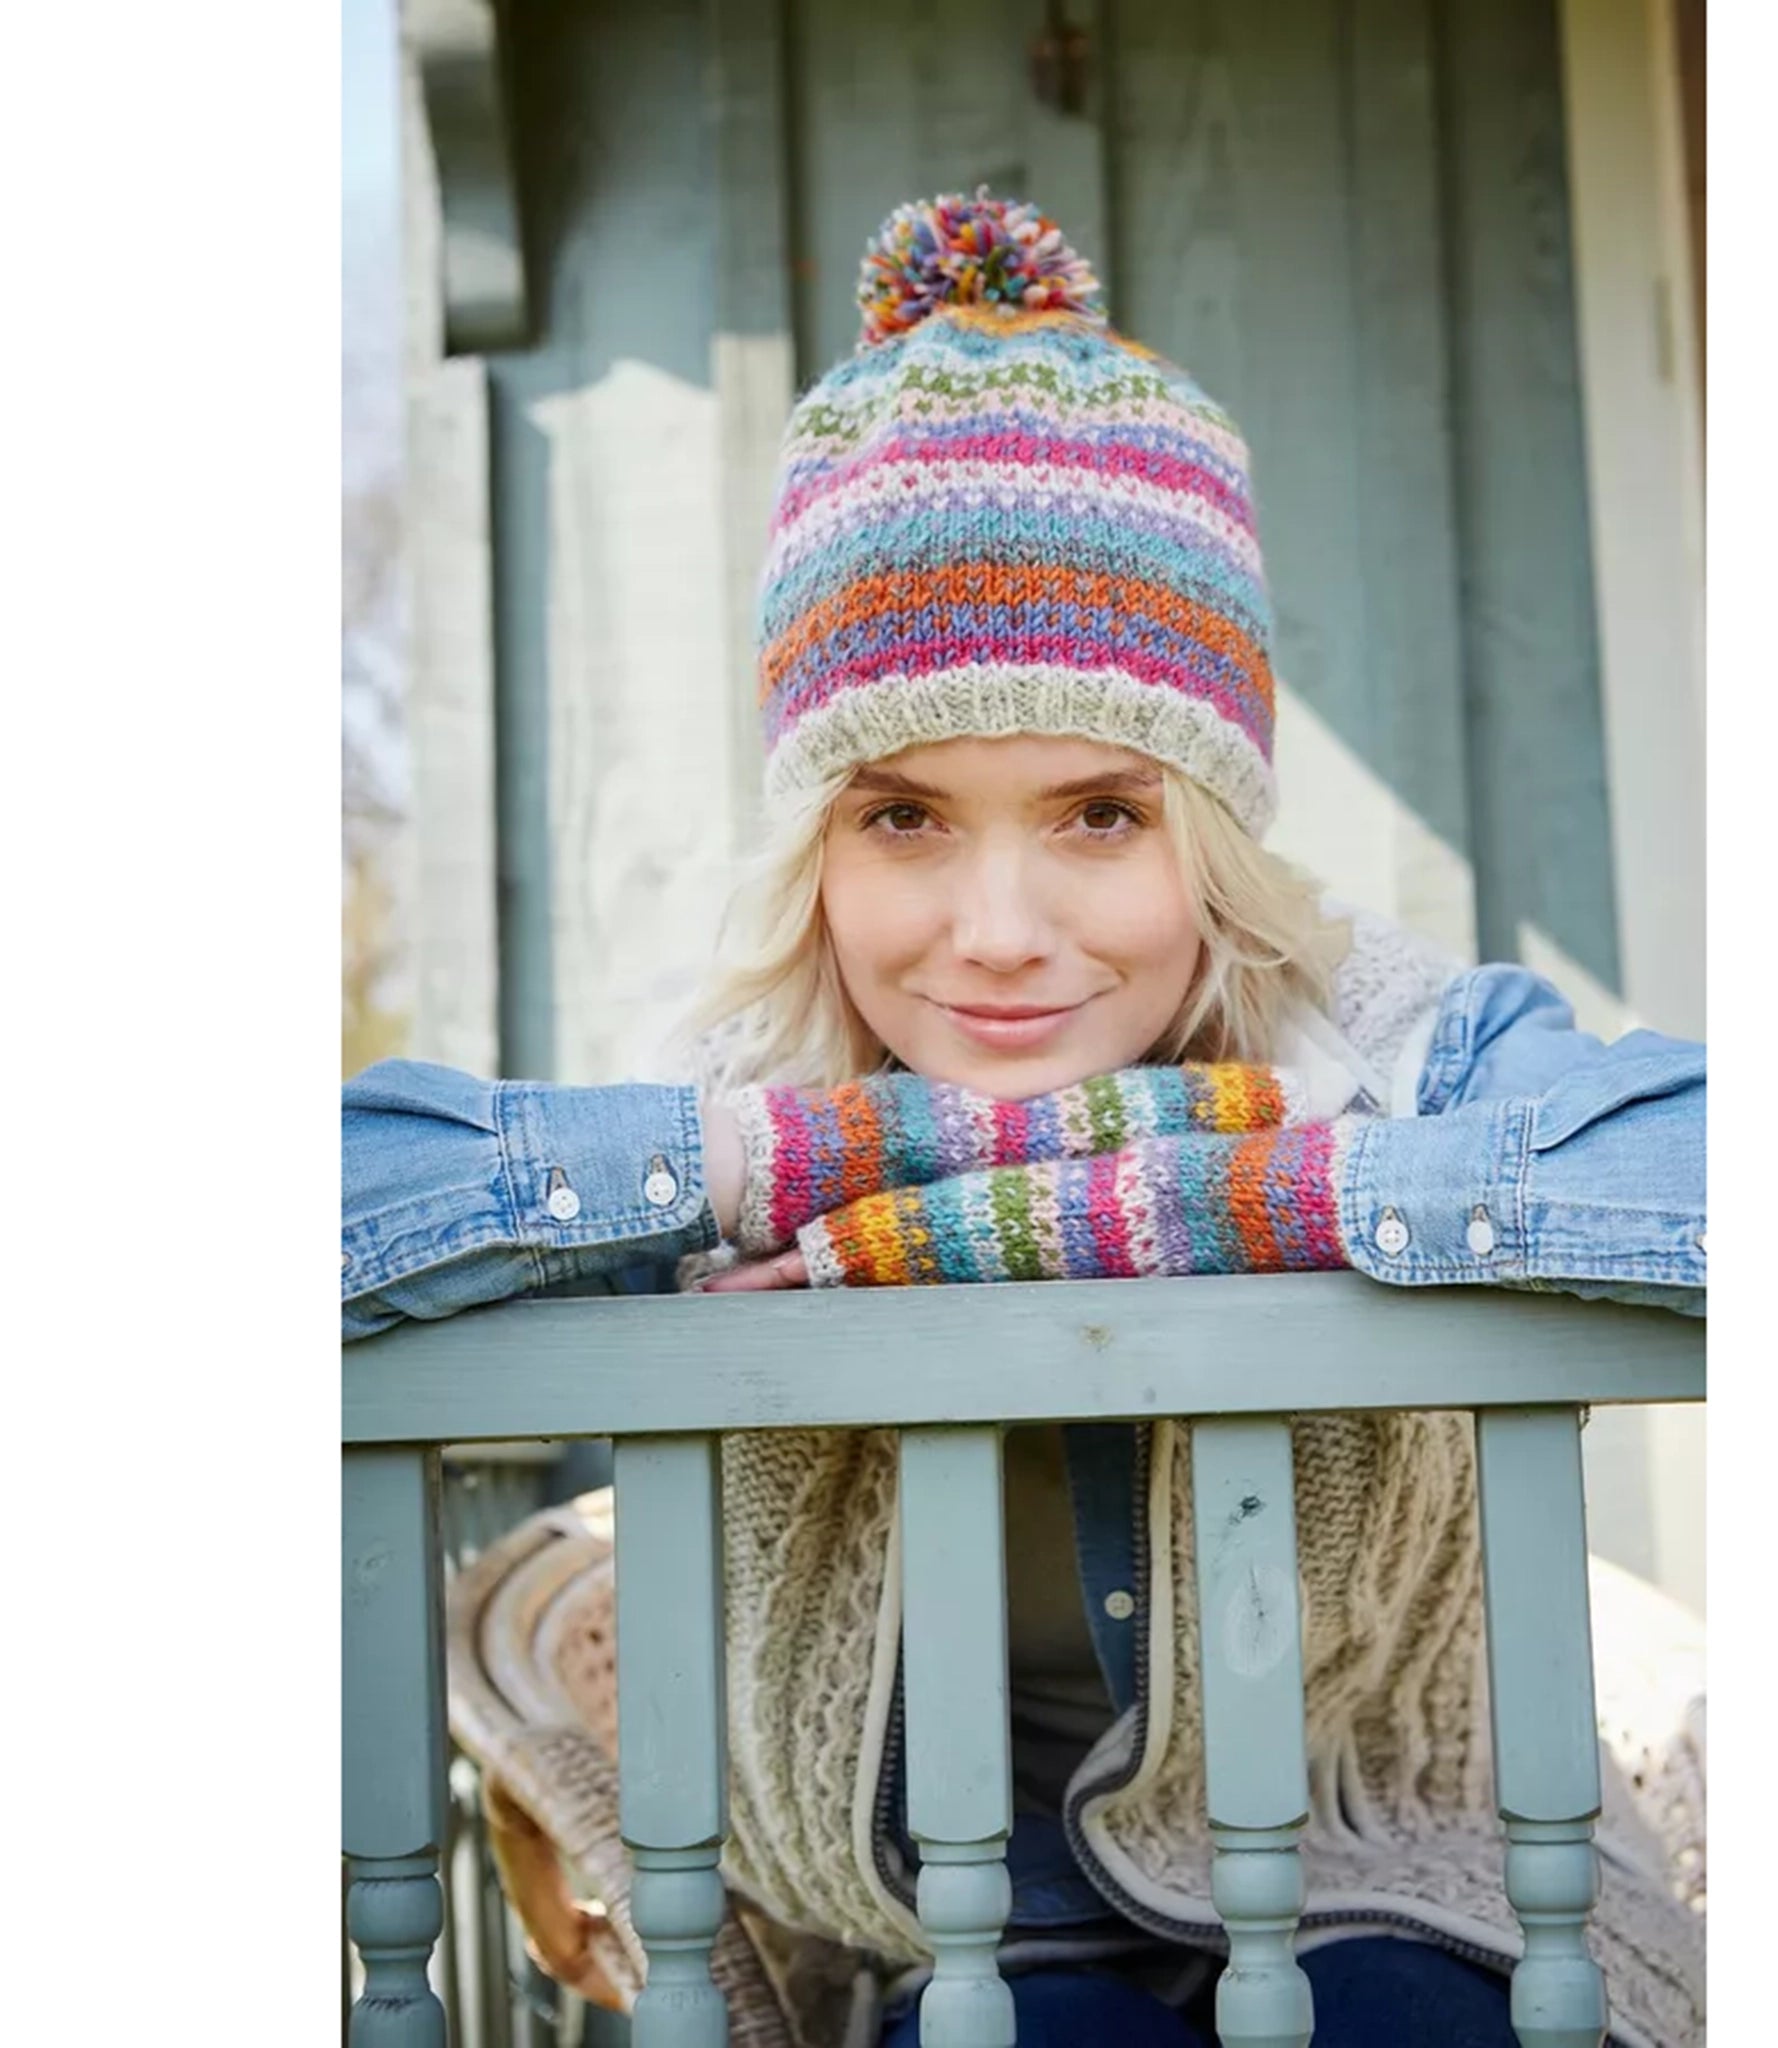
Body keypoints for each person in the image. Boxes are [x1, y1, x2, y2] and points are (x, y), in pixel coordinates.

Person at [344, 194, 1706, 2048]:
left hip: (1395, 1883)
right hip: (945, 1936)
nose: (998, 934)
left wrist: (1170, 1199)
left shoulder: (1385, 1042)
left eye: (1097, 814)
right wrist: (811, 1161)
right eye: (902, 816)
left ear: (1208, 826)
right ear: (814, 839)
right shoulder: (731, 1096)